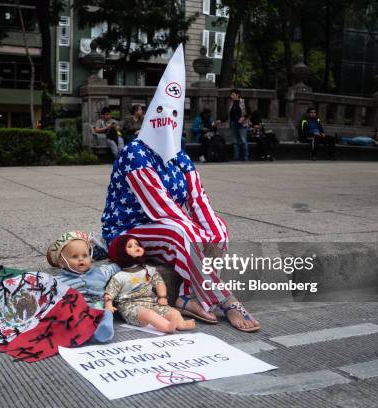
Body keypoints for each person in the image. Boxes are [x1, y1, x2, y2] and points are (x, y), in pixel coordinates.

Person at [101, 44, 260, 333]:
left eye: (173, 118)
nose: (167, 124)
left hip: (169, 226)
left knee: (216, 228)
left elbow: (198, 198)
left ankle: (187, 297)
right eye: (162, 116)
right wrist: (197, 234)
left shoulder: (180, 155)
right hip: (128, 231)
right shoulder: (135, 153)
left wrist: (213, 231)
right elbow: (159, 206)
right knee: (183, 232)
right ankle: (226, 300)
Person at [104, 235, 196, 333]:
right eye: (130, 246)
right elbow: (110, 293)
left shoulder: (148, 270)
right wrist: (108, 305)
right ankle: (167, 327)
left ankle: (181, 323)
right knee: (149, 314)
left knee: (173, 311)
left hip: (152, 302)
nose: (136, 247)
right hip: (131, 307)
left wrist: (162, 296)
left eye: (137, 244)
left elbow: (158, 283)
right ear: (121, 254)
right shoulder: (119, 276)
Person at [47, 230, 121, 342]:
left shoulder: (99, 272)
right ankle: (82, 335)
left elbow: (113, 267)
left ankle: (103, 330)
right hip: (78, 308)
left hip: (98, 305)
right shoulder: (59, 280)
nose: (81, 259)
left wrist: (126, 261)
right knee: (70, 317)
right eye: (74, 256)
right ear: (62, 262)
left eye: (85, 255)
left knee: (107, 312)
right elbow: (46, 288)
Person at [229, 89, 249, 161]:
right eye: (231, 95)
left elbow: (249, 112)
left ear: (238, 95)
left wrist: (243, 118)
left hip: (242, 124)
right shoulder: (232, 103)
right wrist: (220, 120)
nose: (231, 96)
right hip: (234, 123)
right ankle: (236, 157)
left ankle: (246, 157)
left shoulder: (243, 102)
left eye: (233, 95)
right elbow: (229, 114)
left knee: (243, 141)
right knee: (235, 141)